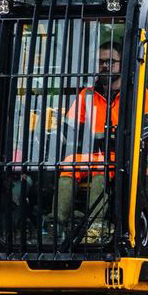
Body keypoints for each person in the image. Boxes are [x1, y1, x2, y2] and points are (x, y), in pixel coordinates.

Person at [56, 42, 123, 245]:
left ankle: (96, 227)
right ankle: (58, 226)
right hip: (90, 154)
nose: (105, 66)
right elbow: (69, 130)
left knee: (101, 170)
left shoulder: (137, 94)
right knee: (68, 164)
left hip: (118, 157)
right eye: (101, 62)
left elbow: (146, 129)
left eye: (110, 61)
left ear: (121, 64)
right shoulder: (86, 95)